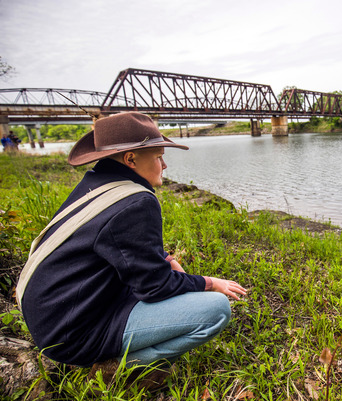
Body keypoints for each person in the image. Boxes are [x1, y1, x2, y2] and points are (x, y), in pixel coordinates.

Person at [17, 112, 246, 386]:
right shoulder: (136, 201)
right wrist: (208, 283)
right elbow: (154, 287)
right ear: (131, 159)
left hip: (52, 317)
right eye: (158, 156)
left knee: (179, 285)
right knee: (216, 310)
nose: (164, 164)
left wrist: (164, 260)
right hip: (72, 335)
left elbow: (117, 246)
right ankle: (118, 368)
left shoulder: (96, 183)